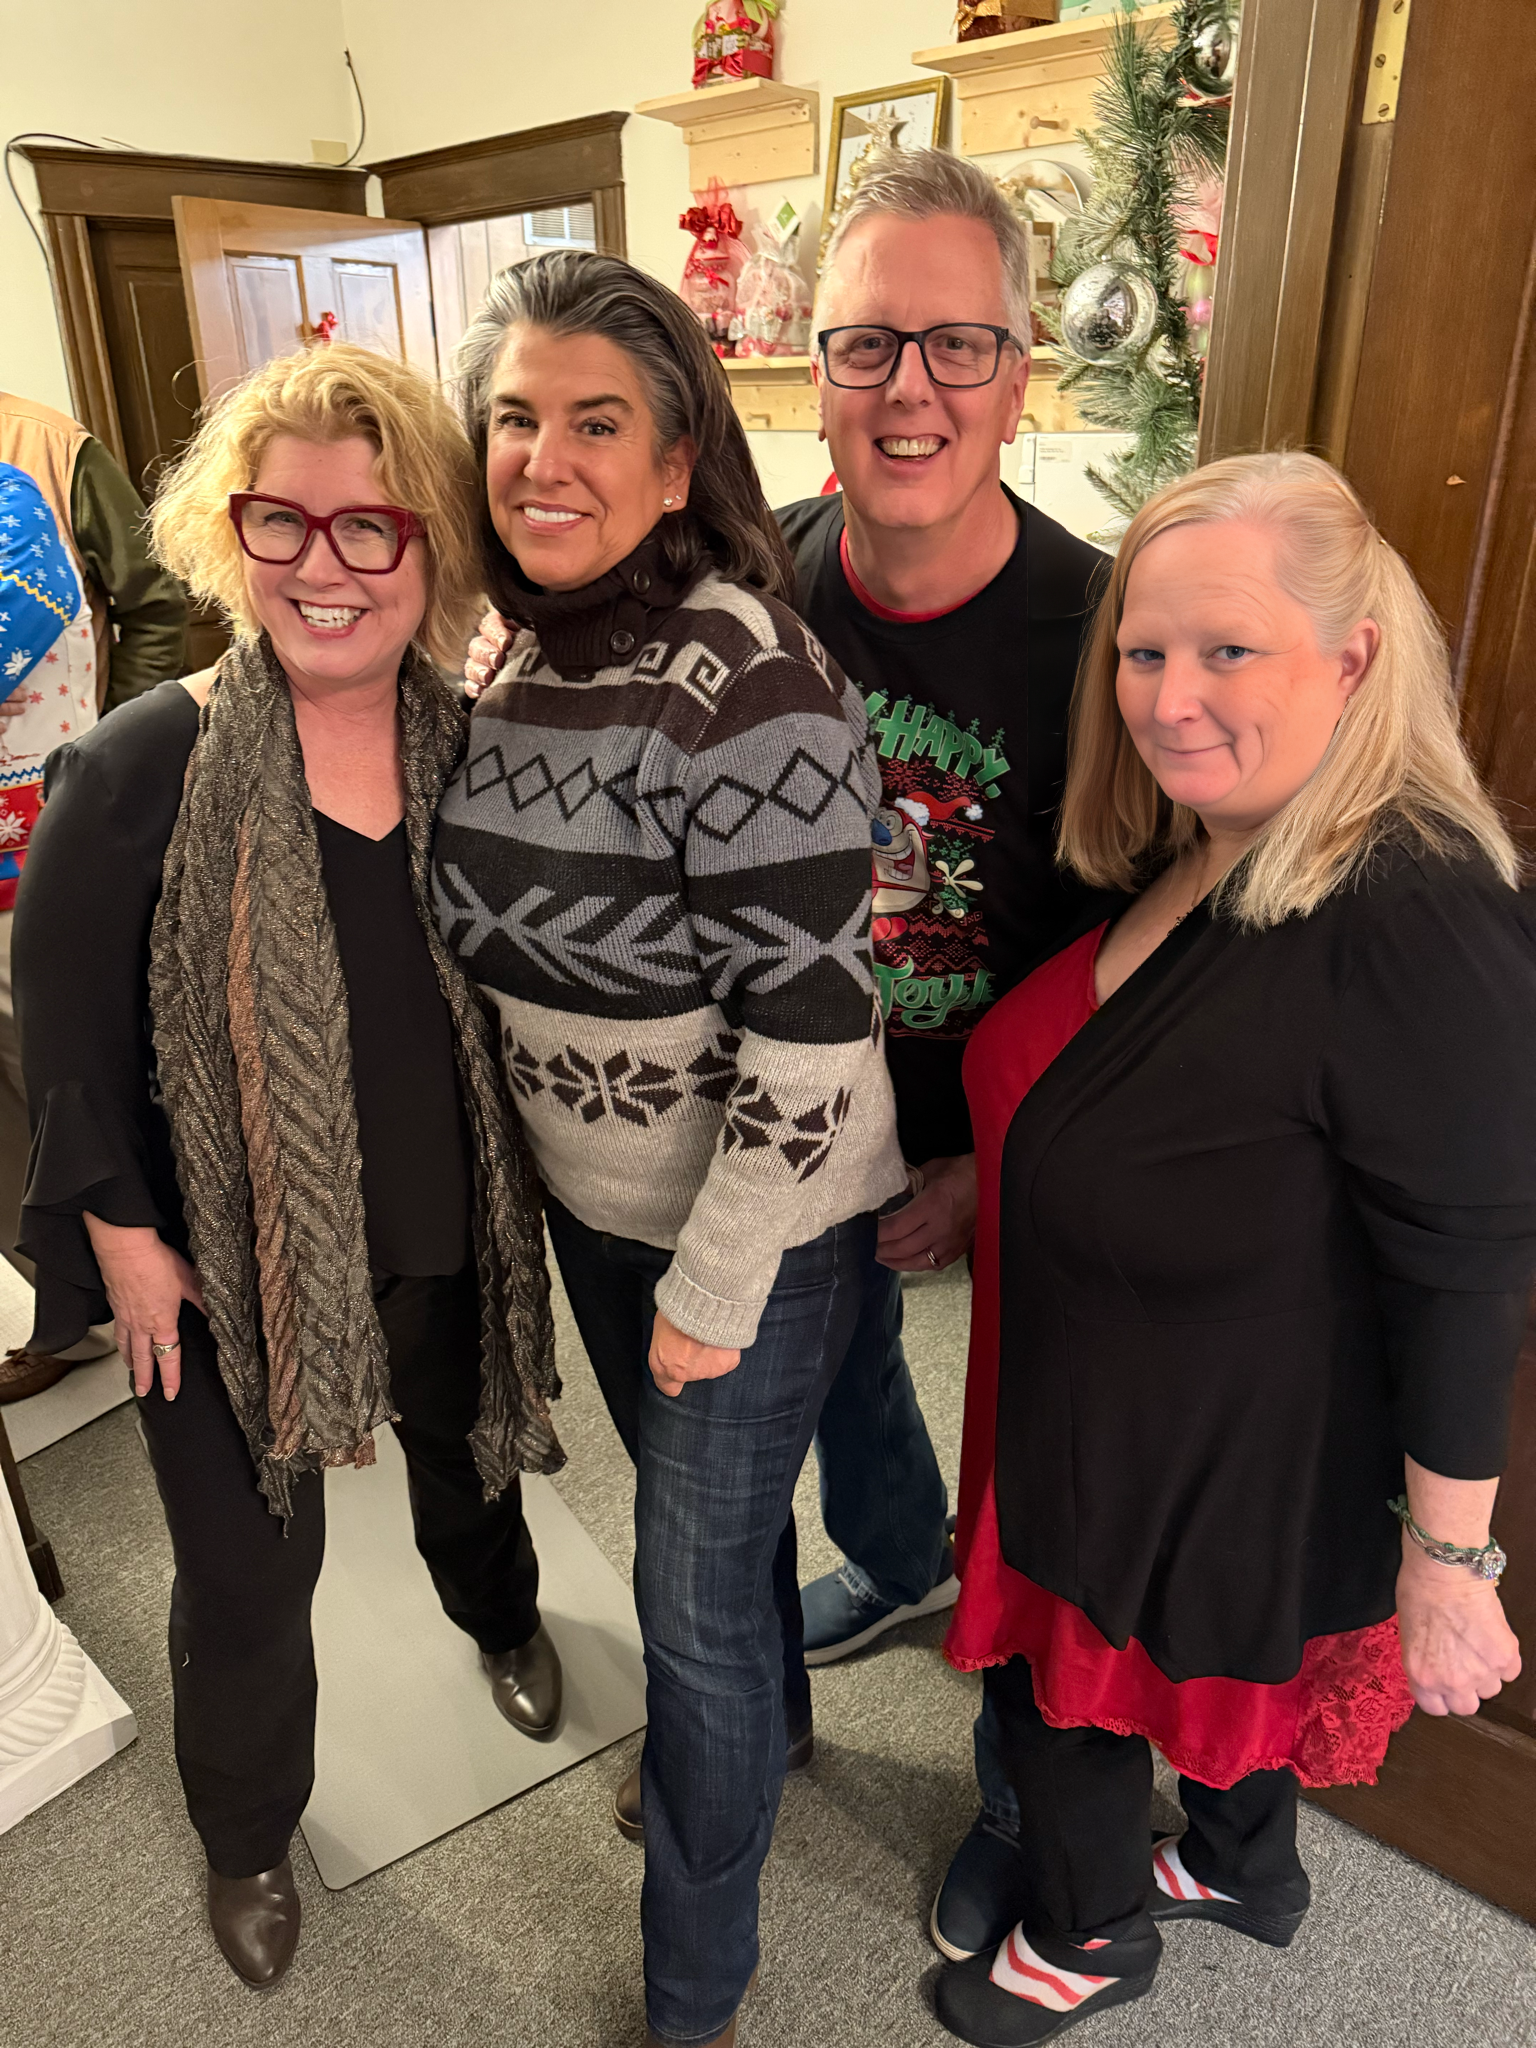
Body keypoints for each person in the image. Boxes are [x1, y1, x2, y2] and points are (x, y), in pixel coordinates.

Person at [932, 451, 1535, 2047]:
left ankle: (1089, 1938)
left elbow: (1468, 1264)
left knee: (1065, 1691)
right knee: (1204, 1672)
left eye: (1226, 651)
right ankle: (1246, 1875)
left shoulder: (1411, 907)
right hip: (1124, 1380)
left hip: (1205, 1431)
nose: (1167, 695)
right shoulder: (1209, 843)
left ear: (1353, 657)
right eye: (1144, 649)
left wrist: (1452, 1562)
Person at [12, 344, 560, 1991]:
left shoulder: (478, 750)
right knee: (249, 1577)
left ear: (432, 548)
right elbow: (62, 1034)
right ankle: (248, 1831)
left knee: (476, 1463)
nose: (323, 566)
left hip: (453, 1230)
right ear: (226, 533)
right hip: (222, 1269)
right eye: (284, 522)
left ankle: (504, 1616)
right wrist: (119, 1235)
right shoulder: (137, 767)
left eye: (370, 528)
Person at [434, 250, 904, 2048]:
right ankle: (770, 1728)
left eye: (594, 421)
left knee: (684, 1596)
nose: (544, 458)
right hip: (598, 1205)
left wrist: (716, 1276)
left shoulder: (745, 680)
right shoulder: (500, 647)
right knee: (703, 1554)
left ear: (681, 448)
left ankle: (691, 1983)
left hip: (758, 1225)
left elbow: (814, 1026)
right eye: (514, 418)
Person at [0, 391, 188, 1403]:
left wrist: (113, 762)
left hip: (44, 830)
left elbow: (154, 598)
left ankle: (154, 1263)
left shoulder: (47, 448)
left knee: (62, 1062)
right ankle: (60, 1300)